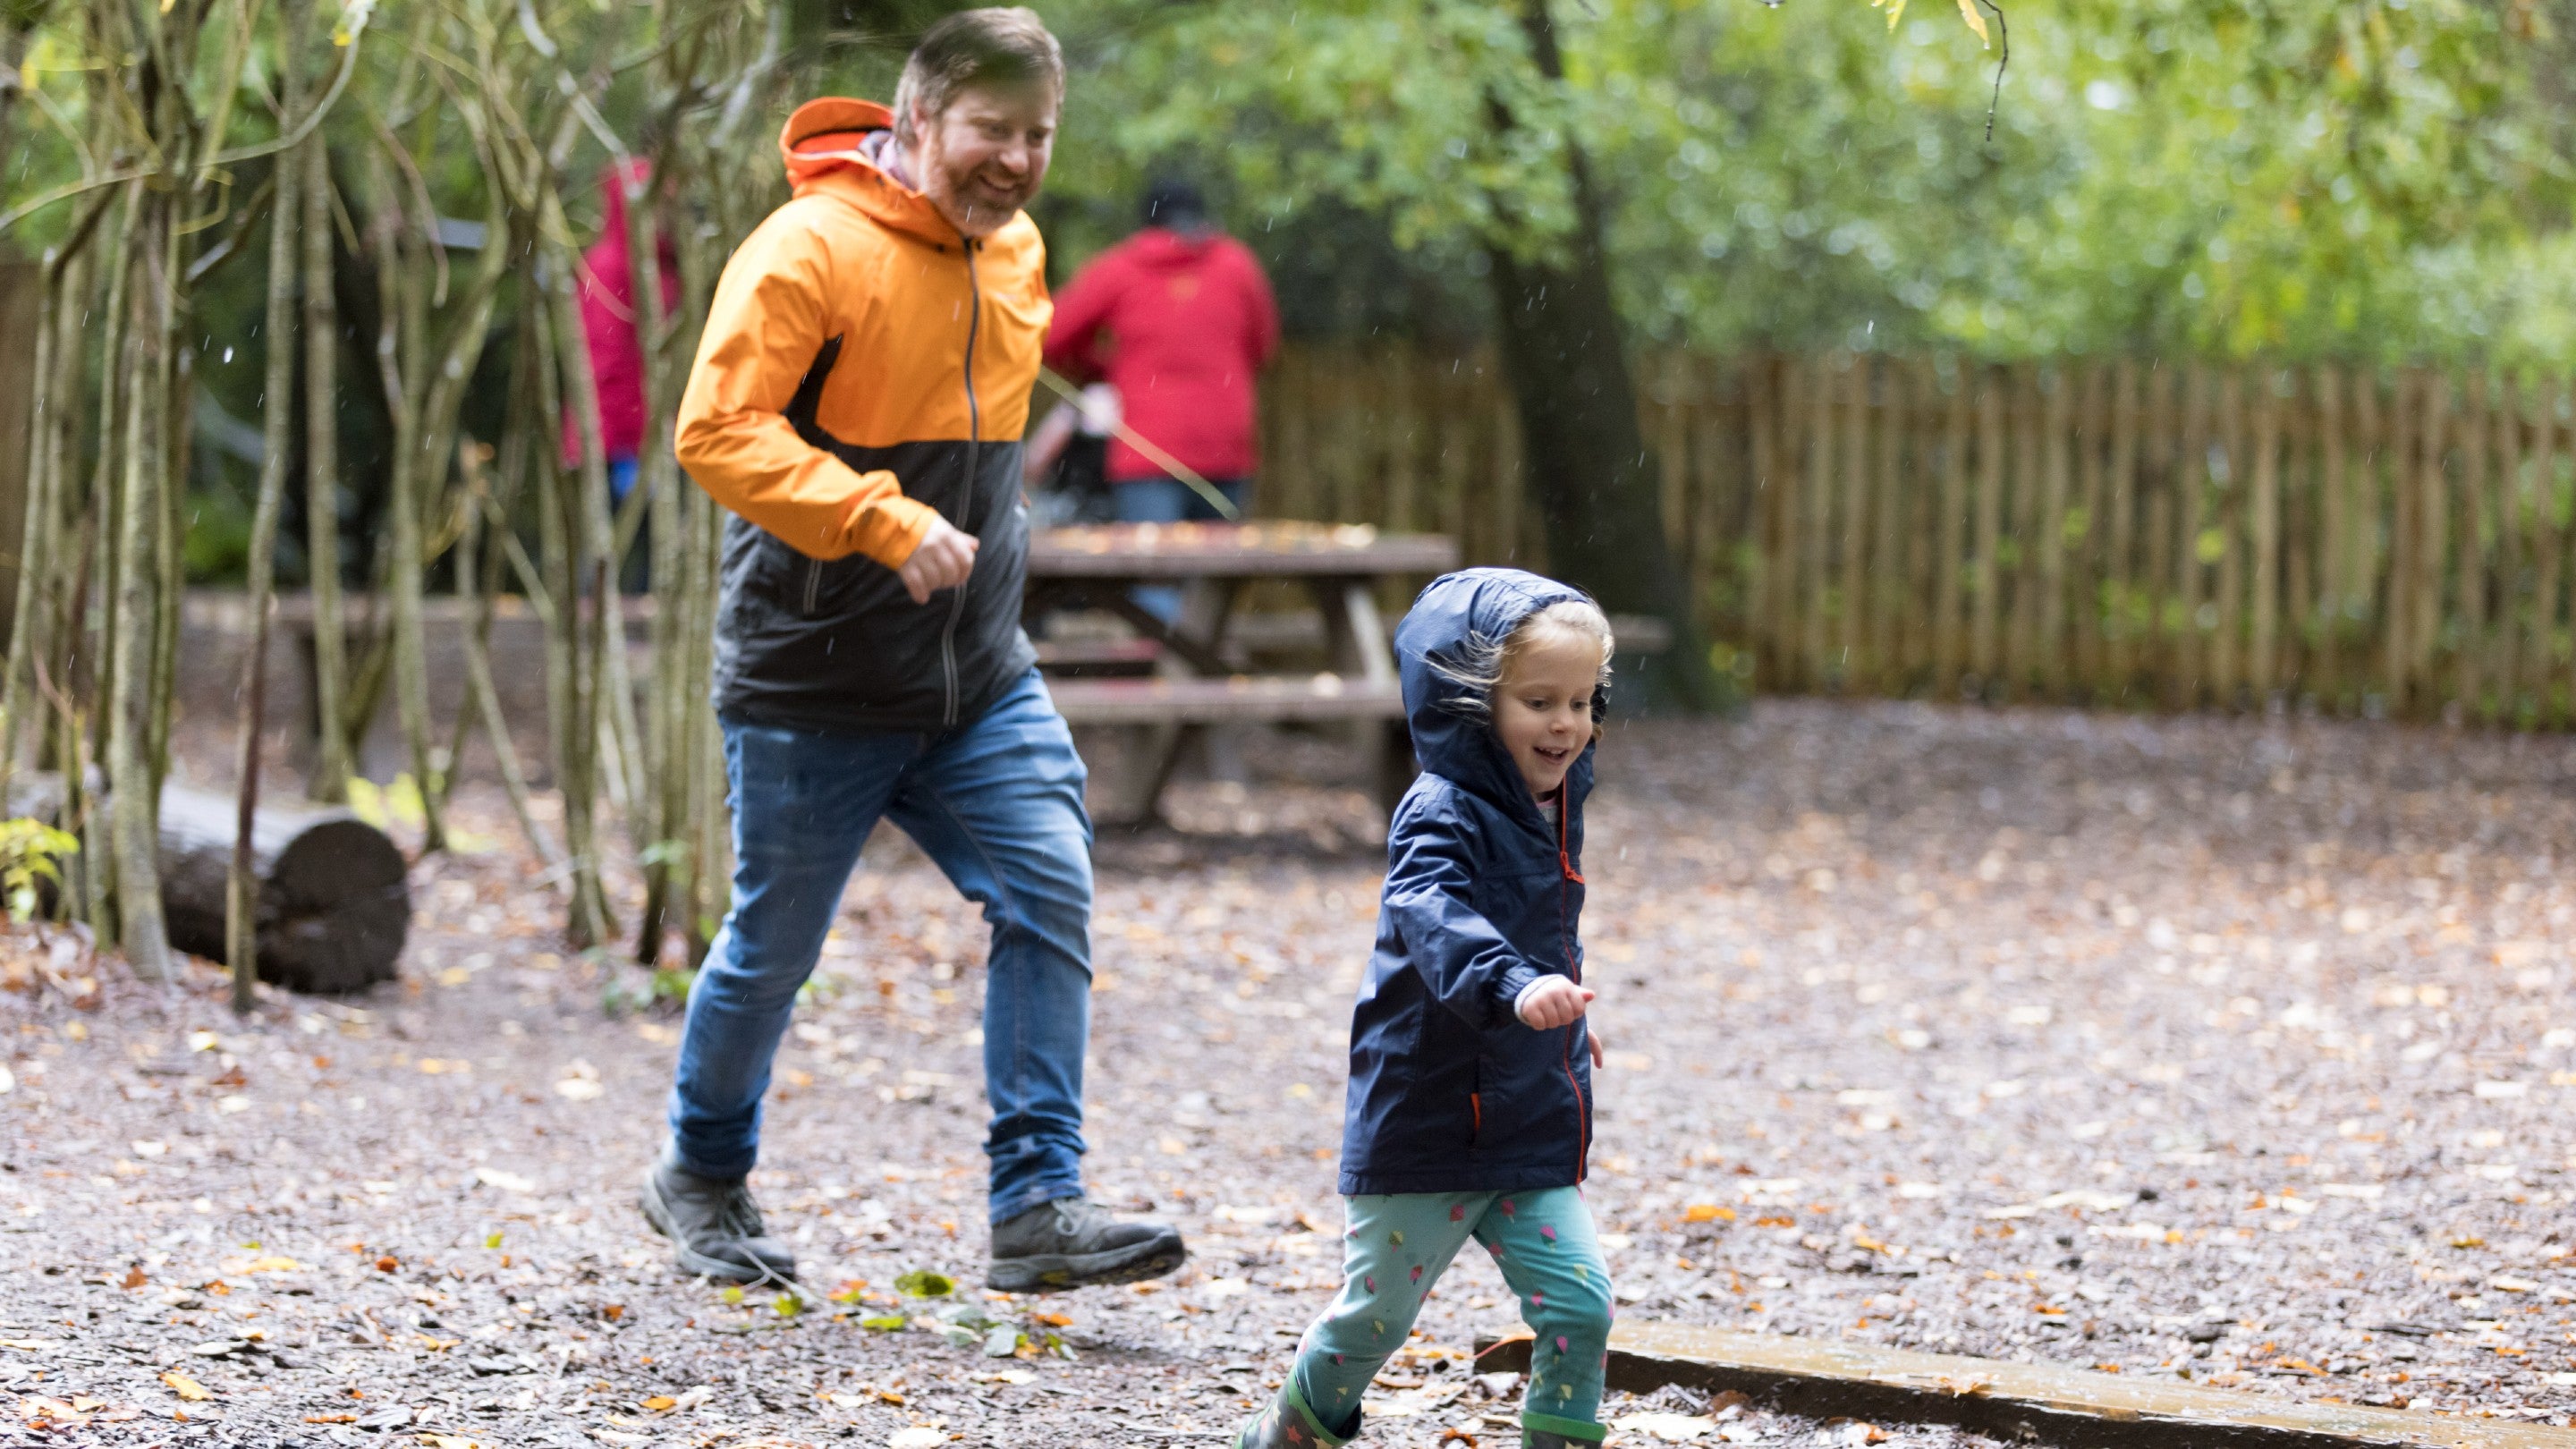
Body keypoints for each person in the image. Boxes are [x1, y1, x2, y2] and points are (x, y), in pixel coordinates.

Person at [654, 7, 1186, 1295]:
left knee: (1049, 887)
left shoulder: (1019, 258)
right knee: (773, 947)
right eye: (990, 132)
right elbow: (716, 432)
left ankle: (1038, 1204)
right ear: (917, 121)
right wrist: (878, 520)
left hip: (977, 679)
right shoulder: (807, 248)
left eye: (1037, 135)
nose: (1014, 159)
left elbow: (985, 455)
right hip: (815, 676)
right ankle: (703, 1172)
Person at [1236, 569, 1620, 1449]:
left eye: (1582, 700)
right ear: (1472, 705)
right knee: (1375, 1322)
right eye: (1538, 702)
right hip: (1428, 1122)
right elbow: (1434, 916)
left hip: (1524, 1120)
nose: (1566, 724)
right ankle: (1290, 1432)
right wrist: (1515, 987)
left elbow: (1542, 929)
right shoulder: (1440, 813)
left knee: (1579, 1305)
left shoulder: (1552, 809)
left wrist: (1564, 1015)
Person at [1044, 178, 1279, 613]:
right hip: (1226, 443)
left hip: (1146, 453)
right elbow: (1263, 347)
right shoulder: (1237, 265)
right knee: (1215, 590)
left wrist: (1105, 368)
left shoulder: (1118, 268)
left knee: (1157, 584)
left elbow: (1051, 337)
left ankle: (1160, 678)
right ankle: (1206, 676)